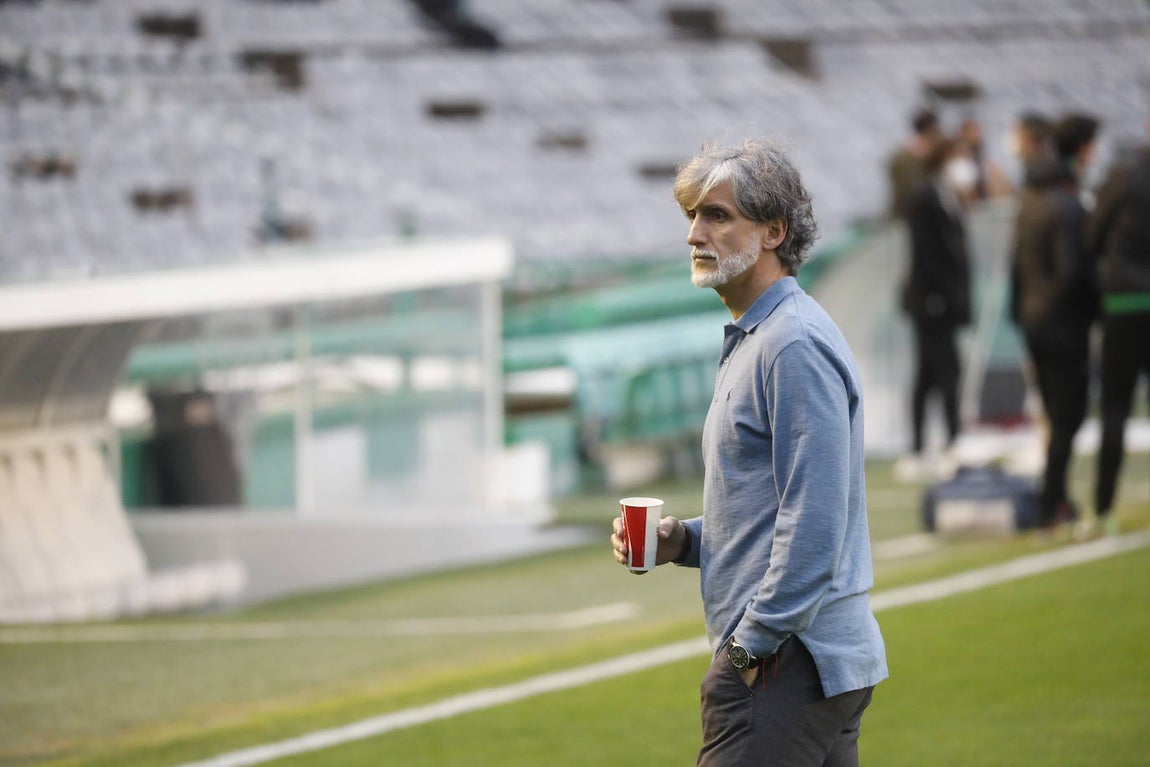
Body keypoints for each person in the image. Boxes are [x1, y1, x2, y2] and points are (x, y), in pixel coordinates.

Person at [610, 140, 887, 766]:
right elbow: (769, 512)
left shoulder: (790, 344)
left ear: (773, 231)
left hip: (788, 663)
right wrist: (682, 539)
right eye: (691, 217)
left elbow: (814, 522)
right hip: (804, 661)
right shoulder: (760, 337)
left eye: (716, 216)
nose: (695, 234)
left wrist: (746, 649)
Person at [1010, 113, 1101, 530]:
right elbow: (1071, 272)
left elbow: (1016, 266)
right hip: (1062, 323)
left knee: (1054, 412)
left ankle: (1055, 497)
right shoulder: (1067, 204)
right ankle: (1053, 502)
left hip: (1033, 319)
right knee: (1069, 415)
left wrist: (1022, 312)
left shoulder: (1027, 201)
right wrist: (1092, 313)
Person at [1083, 120, 1150, 537]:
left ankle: (1103, 508)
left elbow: (1092, 238)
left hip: (1123, 305)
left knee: (1114, 409)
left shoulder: (1121, 177)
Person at [899, 137, 973, 474]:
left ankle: (935, 442)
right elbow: (924, 252)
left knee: (933, 374)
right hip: (930, 303)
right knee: (940, 372)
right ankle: (937, 441)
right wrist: (935, 297)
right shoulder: (924, 198)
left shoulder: (949, 198)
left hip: (946, 303)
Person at [887, 108, 943, 221]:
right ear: (931, 129)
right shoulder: (917, 156)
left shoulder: (901, 155)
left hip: (907, 213)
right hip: (915, 215)